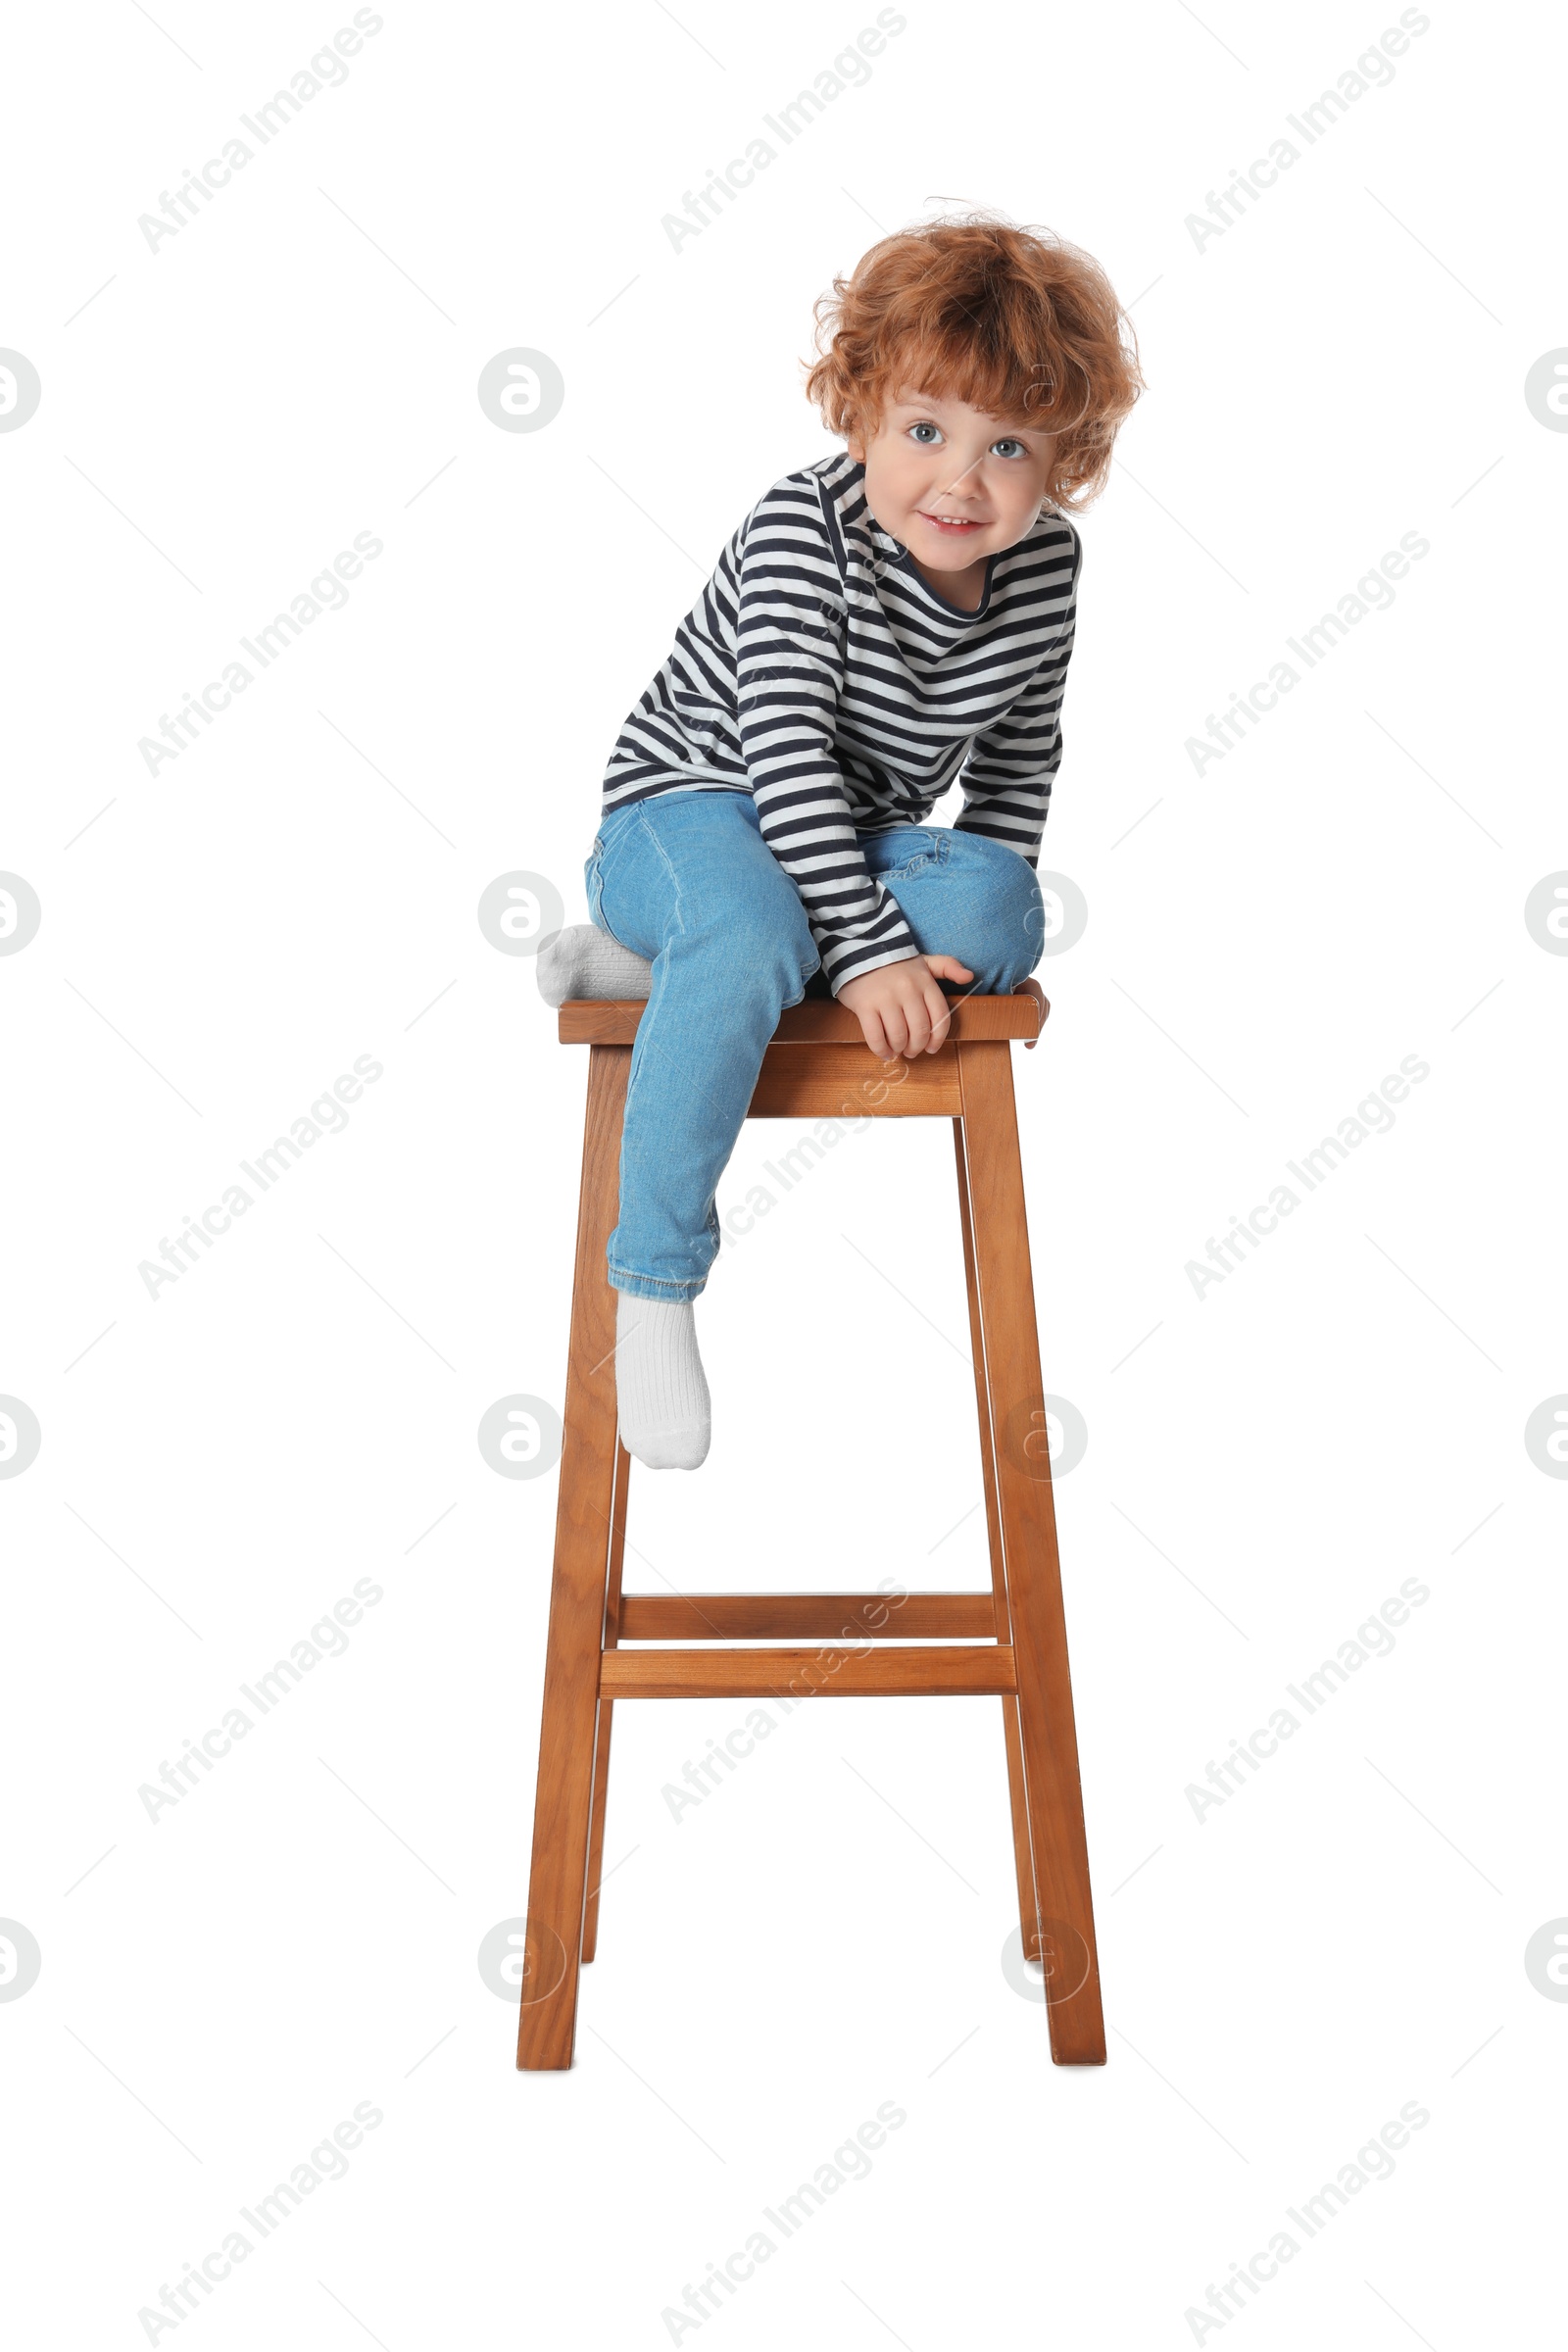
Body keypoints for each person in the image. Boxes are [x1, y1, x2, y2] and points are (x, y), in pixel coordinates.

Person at [540, 211, 1143, 1468]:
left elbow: (1020, 757)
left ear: (1062, 462)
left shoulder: (1045, 572)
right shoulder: (800, 531)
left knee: (993, 919)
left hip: (846, 838)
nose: (960, 482)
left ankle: (685, 967)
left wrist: (986, 910)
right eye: (924, 432)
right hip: (695, 802)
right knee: (754, 914)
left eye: (1009, 448)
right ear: (861, 416)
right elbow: (784, 758)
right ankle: (651, 1283)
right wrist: (867, 956)